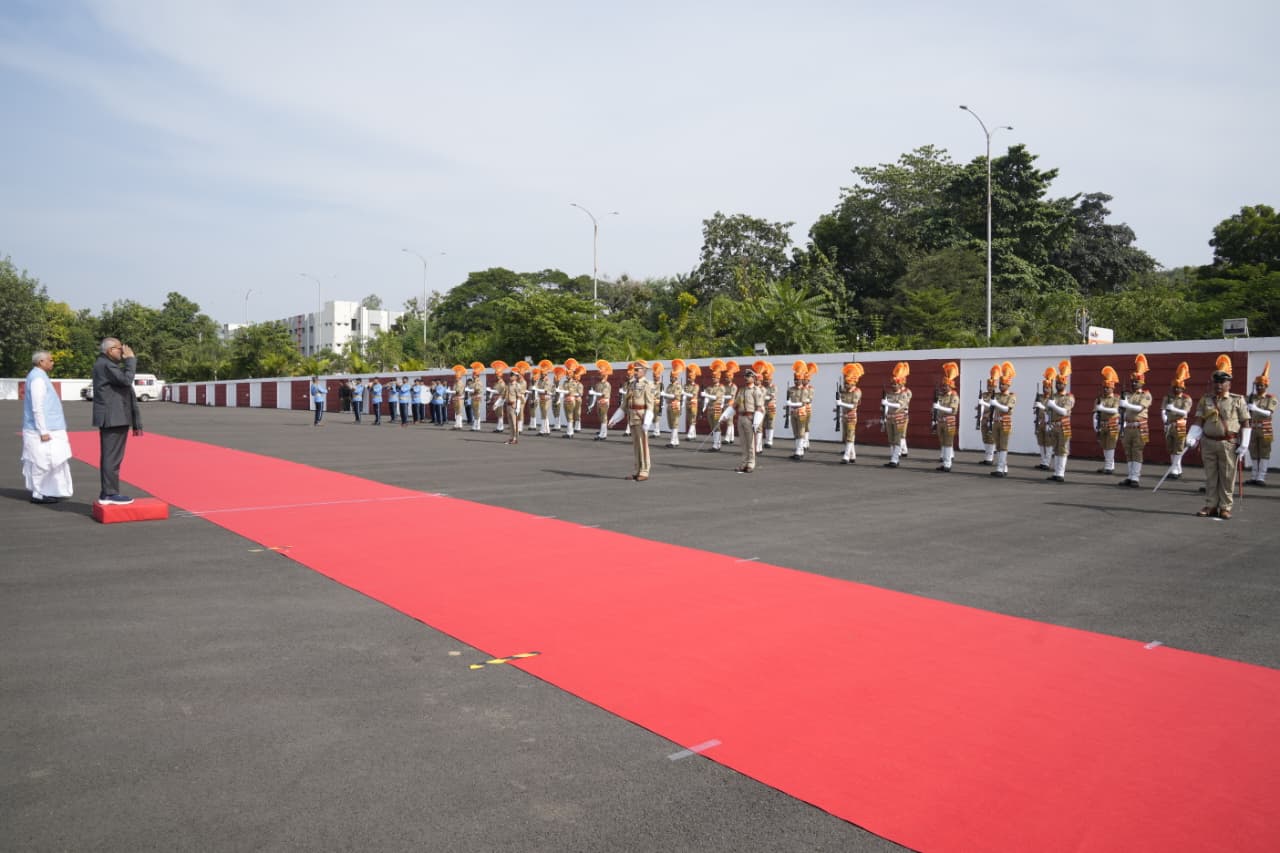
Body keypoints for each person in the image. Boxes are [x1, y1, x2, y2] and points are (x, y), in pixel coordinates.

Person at [1187, 355, 1250, 519]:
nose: (1219, 385)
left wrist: (1245, 443)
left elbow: (1246, 423)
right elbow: (1199, 420)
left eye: (1222, 382)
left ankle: (1225, 507)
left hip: (1228, 443)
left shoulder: (1238, 400)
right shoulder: (1205, 399)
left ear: (1229, 384)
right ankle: (1210, 505)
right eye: (1216, 382)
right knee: (1210, 476)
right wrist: (1192, 436)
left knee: (1228, 476)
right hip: (1208, 442)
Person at [92, 337, 140, 505]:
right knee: (112, 457)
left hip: (113, 416)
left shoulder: (103, 364)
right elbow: (126, 380)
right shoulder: (106, 365)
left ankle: (109, 492)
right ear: (110, 350)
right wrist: (131, 360)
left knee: (111, 456)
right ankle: (109, 494)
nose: (123, 351)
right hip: (113, 417)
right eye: (120, 348)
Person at [21, 351, 74, 504]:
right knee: (42, 462)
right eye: (50, 360)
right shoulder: (37, 378)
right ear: (41, 362)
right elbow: (37, 407)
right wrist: (43, 431)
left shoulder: (39, 376)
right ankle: (38, 493)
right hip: (43, 430)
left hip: (51, 427)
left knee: (54, 460)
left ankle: (50, 490)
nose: (53, 362)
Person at [1117, 354, 1153, 487]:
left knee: (1137, 450)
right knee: (1128, 451)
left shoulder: (1146, 395)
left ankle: (1135, 477)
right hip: (1128, 426)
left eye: (1136, 381)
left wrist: (1126, 405)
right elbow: (1122, 411)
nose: (1133, 383)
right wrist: (1121, 407)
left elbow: (1139, 408)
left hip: (1139, 426)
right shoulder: (1127, 394)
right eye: (1132, 381)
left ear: (1142, 382)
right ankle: (1130, 475)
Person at [624, 359, 658, 480]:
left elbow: (650, 404)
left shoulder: (647, 385)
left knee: (643, 445)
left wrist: (647, 421)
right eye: (635, 369)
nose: (635, 371)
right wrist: (615, 418)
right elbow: (625, 403)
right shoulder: (631, 384)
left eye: (637, 370)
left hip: (641, 417)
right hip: (632, 417)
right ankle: (637, 469)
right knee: (636, 445)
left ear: (644, 371)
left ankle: (644, 470)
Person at [729, 366, 766, 473]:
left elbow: (759, 407)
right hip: (741, 417)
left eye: (748, 376)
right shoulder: (741, 390)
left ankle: (751, 463)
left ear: (753, 378)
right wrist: (727, 413)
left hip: (750, 417)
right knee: (743, 442)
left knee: (750, 442)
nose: (746, 378)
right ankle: (744, 463)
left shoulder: (756, 391)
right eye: (745, 376)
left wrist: (756, 421)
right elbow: (735, 404)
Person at [1044, 360, 1075, 483]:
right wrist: (1048, 423)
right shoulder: (1053, 396)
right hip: (1054, 425)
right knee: (1056, 449)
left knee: (1062, 449)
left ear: (1065, 384)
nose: (1058, 385)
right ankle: (1056, 472)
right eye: (1057, 383)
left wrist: (1053, 405)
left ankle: (1061, 473)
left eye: (1060, 383)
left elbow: (1064, 412)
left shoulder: (1069, 397)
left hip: (1064, 425)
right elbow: (1047, 412)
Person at [1161, 362, 1193, 480]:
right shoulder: (1168, 397)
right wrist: (1165, 420)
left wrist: (1173, 408)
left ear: (1182, 388)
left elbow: (1185, 412)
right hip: (1169, 424)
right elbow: (1163, 410)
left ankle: (1175, 469)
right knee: (1171, 447)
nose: (1176, 389)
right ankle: (1176, 468)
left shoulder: (1186, 399)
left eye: (1178, 387)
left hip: (1180, 424)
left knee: (1179, 447)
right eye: (1175, 387)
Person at [1245, 361, 1275, 486]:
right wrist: (1248, 406)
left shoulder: (1270, 398)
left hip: (1265, 427)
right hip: (1253, 426)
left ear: (1266, 386)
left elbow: (1269, 413)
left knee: (1264, 451)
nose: (1258, 388)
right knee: (1253, 451)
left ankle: (1261, 477)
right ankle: (1254, 475)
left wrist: (1255, 408)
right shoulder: (1251, 397)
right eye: (1257, 385)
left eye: (1261, 385)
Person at [987, 362, 1016, 478]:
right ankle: (1004, 467)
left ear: (1008, 385)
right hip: (996, 422)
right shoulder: (997, 395)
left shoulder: (1011, 396)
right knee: (998, 445)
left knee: (1003, 445)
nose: (1001, 386)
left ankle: (1000, 468)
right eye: (1000, 384)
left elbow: (1007, 409)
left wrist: (996, 404)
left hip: (1005, 422)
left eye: (1003, 385)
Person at [1092, 366, 1122, 475]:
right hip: (1102, 424)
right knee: (1104, 445)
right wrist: (1095, 424)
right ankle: (1108, 465)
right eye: (1104, 387)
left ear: (1112, 388)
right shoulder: (1099, 398)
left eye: (1108, 388)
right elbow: (1095, 413)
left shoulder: (1117, 398)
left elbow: (1114, 410)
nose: (1105, 389)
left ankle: (1109, 466)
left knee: (1110, 445)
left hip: (1112, 424)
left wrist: (1102, 408)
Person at [932, 362, 960, 472]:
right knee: (943, 442)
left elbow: (952, 410)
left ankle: (948, 464)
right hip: (941, 421)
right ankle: (944, 462)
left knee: (948, 443)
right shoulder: (941, 396)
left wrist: (939, 407)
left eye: (946, 385)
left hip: (949, 421)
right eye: (943, 385)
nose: (943, 387)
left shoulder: (954, 396)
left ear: (951, 385)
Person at [882, 362, 910, 468]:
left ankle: (895, 459)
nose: (893, 385)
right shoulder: (889, 394)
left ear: (900, 384)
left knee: (898, 438)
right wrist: (884, 414)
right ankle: (893, 457)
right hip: (889, 418)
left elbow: (899, 405)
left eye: (895, 384)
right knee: (891, 439)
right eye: (892, 383)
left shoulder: (904, 394)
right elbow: (886, 407)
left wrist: (887, 403)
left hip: (899, 419)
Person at [836, 362, 864, 464]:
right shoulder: (844, 391)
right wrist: (838, 407)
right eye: (845, 383)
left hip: (852, 416)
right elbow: (843, 404)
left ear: (853, 382)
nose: (846, 385)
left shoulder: (857, 391)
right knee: (847, 436)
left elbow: (853, 406)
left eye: (848, 383)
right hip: (844, 416)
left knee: (850, 436)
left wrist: (841, 403)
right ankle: (853, 455)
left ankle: (846, 456)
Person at [785, 360, 812, 460]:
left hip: (801, 413)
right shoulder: (791, 389)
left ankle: (799, 451)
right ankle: (798, 450)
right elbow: (789, 400)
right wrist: (788, 406)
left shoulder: (804, 390)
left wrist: (791, 404)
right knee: (795, 433)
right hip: (793, 413)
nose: (796, 381)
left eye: (798, 380)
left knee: (801, 432)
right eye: (795, 380)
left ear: (802, 380)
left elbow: (803, 403)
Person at [1033, 367, 1055, 470]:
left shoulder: (1053, 398)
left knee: (1048, 443)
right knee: (1041, 442)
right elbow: (1035, 409)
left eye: (1048, 387)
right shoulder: (1040, 397)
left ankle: (1047, 462)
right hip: (1040, 422)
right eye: (1044, 387)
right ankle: (1043, 461)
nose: (1045, 389)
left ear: (1051, 388)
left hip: (1049, 422)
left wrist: (1041, 406)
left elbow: (1050, 410)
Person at [976, 364, 999, 465]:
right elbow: (981, 406)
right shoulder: (984, 395)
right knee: (984, 437)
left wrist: (985, 407)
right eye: (989, 386)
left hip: (992, 419)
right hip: (984, 419)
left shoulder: (997, 396)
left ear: (995, 386)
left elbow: (995, 408)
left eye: (992, 386)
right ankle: (987, 457)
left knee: (991, 438)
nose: (990, 388)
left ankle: (990, 458)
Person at [703, 360, 727, 450]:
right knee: (712, 427)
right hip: (710, 409)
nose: (713, 379)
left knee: (717, 427)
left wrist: (706, 395)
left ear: (719, 378)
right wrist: (704, 405)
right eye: (712, 377)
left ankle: (717, 445)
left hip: (716, 408)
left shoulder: (721, 387)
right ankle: (715, 443)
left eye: (715, 377)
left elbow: (715, 398)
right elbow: (707, 398)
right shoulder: (710, 387)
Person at [663, 359, 684, 447]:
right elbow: (666, 396)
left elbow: (675, 396)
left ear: (676, 377)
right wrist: (664, 395)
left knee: (675, 423)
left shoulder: (678, 386)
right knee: (671, 424)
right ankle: (676, 441)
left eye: (672, 377)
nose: (671, 378)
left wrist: (665, 394)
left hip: (675, 405)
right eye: (670, 376)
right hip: (669, 406)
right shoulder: (669, 386)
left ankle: (672, 441)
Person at [591, 360, 613, 440]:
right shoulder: (598, 384)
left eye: (601, 372)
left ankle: (603, 435)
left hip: (604, 402)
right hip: (599, 402)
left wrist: (594, 393)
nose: (599, 373)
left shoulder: (607, 384)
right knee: (601, 418)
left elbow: (604, 395)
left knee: (604, 417)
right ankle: (603, 432)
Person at [684, 363, 701, 441]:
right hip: (687, 404)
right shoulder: (686, 386)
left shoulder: (696, 386)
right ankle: (693, 434)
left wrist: (684, 393)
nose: (688, 379)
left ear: (694, 378)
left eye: (690, 377)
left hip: (693, 404)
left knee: (693, 419)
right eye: (688, 377)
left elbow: (692, 395)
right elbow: (685, 395)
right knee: (689, 419)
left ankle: (690, 435)